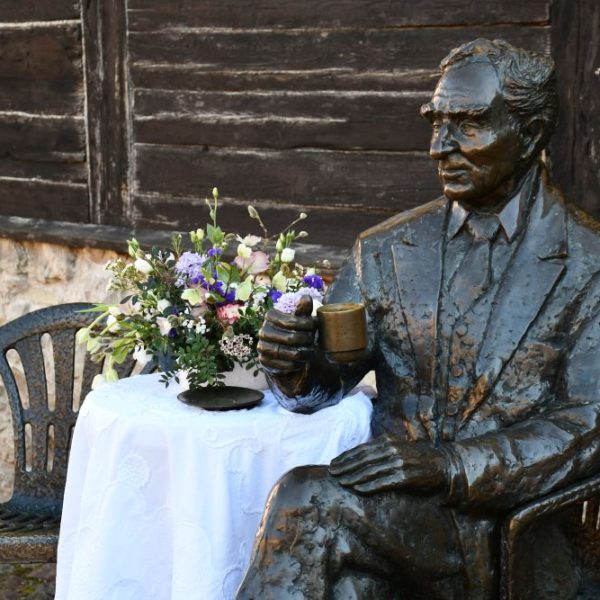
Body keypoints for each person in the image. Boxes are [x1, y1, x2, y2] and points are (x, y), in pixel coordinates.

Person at [236, 38, 600, 599]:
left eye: (469, 125)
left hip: (519, 529)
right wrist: (293, 365)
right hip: (394, 522)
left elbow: (587, 423)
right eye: (436, 123)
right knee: (345, 584)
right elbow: (326, 380)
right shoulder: (386, 250)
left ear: (530, 135)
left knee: (305, 499)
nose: (440, 147)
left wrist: (448, 465)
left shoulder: (588, 263)